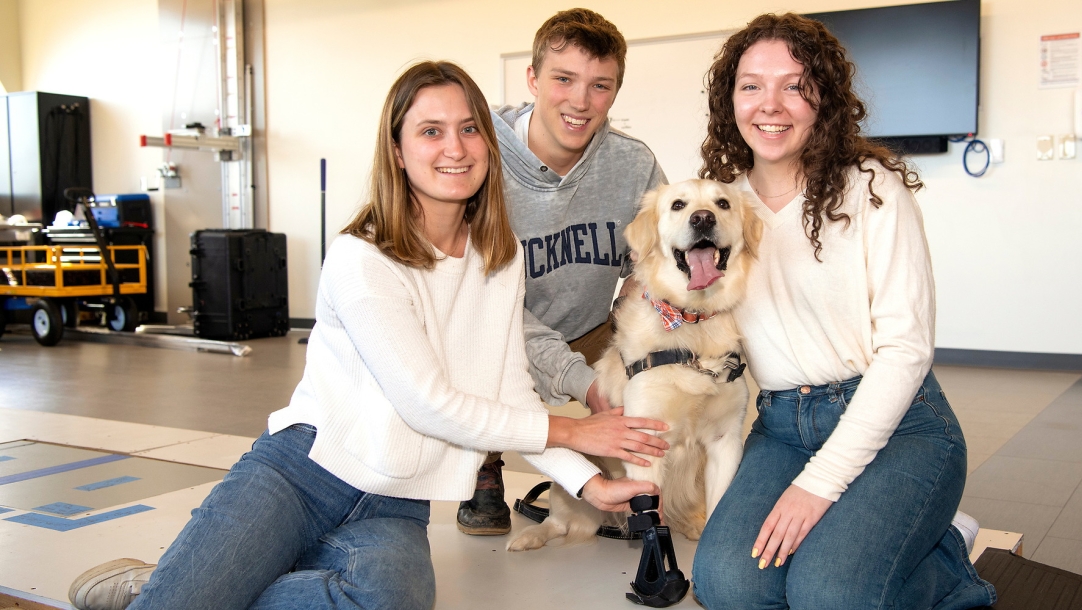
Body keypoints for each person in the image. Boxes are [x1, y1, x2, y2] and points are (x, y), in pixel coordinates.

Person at [66, 60, 669, 610]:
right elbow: (426, 402)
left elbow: (510, 395)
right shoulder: (363, 256)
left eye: (468, 129)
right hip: (299, 474)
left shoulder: (499, 258)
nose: (454, 148)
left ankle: (196, 584)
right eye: (430, 131)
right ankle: (176, 588)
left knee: (390, 603)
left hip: (393, 503)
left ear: (489, 142)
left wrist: (590, 481)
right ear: (398, 151)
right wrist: (575, 429)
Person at [689, 14, 997, 610]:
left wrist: (819, 486)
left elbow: (906, 351)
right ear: (730, 101)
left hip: (902, 426)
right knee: (728, 586)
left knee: (829, 596)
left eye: (794, 84)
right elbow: (677, 283)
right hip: (782, 428)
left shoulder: (871, 187)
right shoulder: (721, 202)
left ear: (823, 97)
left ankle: (950, 561)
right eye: (750, 85)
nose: (769, 105)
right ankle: (894, 544)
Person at [457, 8, 668, 536]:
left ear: (615, 92)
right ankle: (484, 465)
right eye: (563, 79)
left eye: (600, 86)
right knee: (468, 342)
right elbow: (489, 303)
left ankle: (640, 472)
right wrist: (582, 382)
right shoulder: (480, 163)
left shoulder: (633, 164)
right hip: (498, 328)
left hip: (592, 324)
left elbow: (657, 261)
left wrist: (629, 320)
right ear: (531, 79)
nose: (581, 101)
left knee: (656, 353)